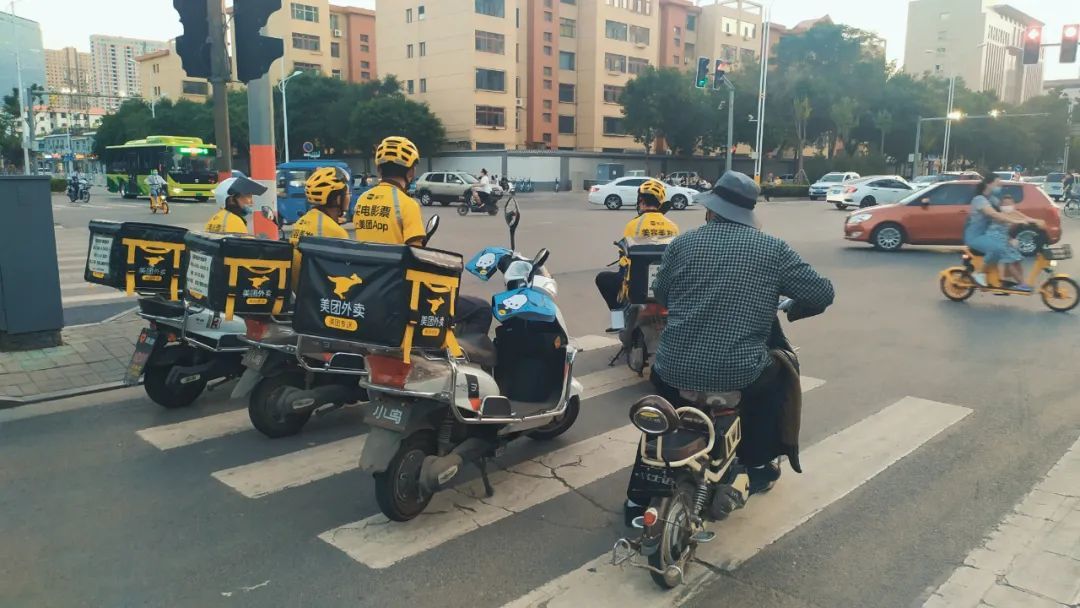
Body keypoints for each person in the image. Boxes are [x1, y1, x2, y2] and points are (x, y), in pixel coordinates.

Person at [624, 171, 834, 522]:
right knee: (777, 379)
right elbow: (822, 293)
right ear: (748, 213)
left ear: (710, 210)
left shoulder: (682, 244)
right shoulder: (773, 249)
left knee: (664, 421)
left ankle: (638, 496)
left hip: (672, 370)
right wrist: (793, 307)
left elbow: (660, 295)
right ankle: (758, 464)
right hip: (739, 373)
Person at [353, 136, 491, 336]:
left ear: (379, 170)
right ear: (411, 171)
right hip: (400, 296)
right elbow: (418, 258)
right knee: (481, 309)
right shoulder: (407, 204)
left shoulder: (362, 201)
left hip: (368, 290)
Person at [595, 179, 680, 333]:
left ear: (641, 200)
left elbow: (625, 259)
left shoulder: (633, 225)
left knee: (603, 279)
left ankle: (618, 322)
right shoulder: (673, 226)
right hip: (666, 286)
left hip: (636, 287)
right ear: (661, 202)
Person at [963, 176, 1029, 289]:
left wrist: (1030, 220)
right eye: (998, 184)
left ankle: (1006, 280)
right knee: (997, 248)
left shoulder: (992, 199)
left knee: (1007, 249)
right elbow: (994, 214)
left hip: (987, 235)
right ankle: (979, 274)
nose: (1000, 187)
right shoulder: (979, 199)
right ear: (989, 184)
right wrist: (1014, 220)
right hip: (975, 237)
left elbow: (1007, 210)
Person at [290, 166, 351, 286]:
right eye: (348, 193)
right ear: (338, 199)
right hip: (320, 296)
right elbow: (346, 271)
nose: (349, 197)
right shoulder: (335, 232)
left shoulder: (301, 222)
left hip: (301, 293)